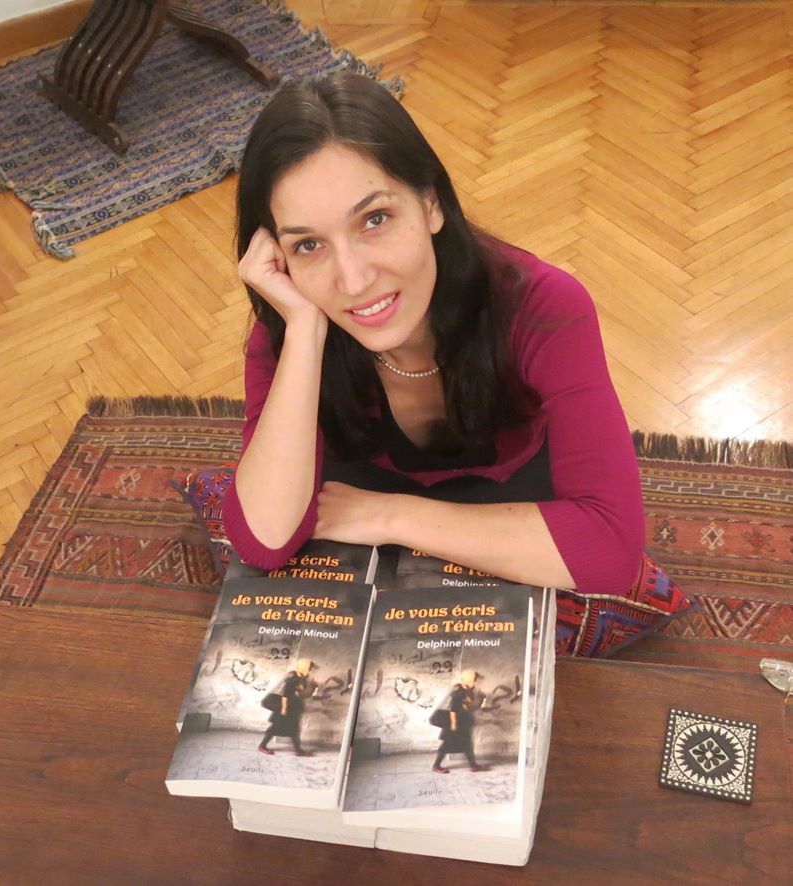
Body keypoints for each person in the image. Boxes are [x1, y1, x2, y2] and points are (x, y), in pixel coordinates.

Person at [222, 72, 645, 597]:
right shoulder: (292, 326)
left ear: (431, 204)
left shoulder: (542, 305)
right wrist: (305, 331)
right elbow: (263, 542)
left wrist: (389, 516)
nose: (353, 281)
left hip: (498, 497)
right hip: (374, 511)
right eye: (308, 245)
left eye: (375, 219)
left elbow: (611, 554)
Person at [258, 658, 316, 756]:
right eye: (309, 668)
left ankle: (297, 749)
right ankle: (262, 746)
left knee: (294, 729)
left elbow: (298, 693)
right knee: (275, 727)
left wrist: (310, 692)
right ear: (303, 667)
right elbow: (285, 695)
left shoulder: (301, 678)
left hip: (293, 708)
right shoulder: (293, 677)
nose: (310, 671)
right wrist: (284, 709)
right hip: (285, 708)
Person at [432, 669, 485, 773]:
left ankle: (473, 765)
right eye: (474, 680)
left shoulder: (466, 691)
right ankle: (436, 766)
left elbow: (467, 707)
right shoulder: (458, 693)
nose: (475, 683)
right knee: (446, 745)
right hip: (455, 724)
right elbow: (453, 710)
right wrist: (453, 725)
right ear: (469, 680)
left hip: (462, 723)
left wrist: (479, 704)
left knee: (467, 744)